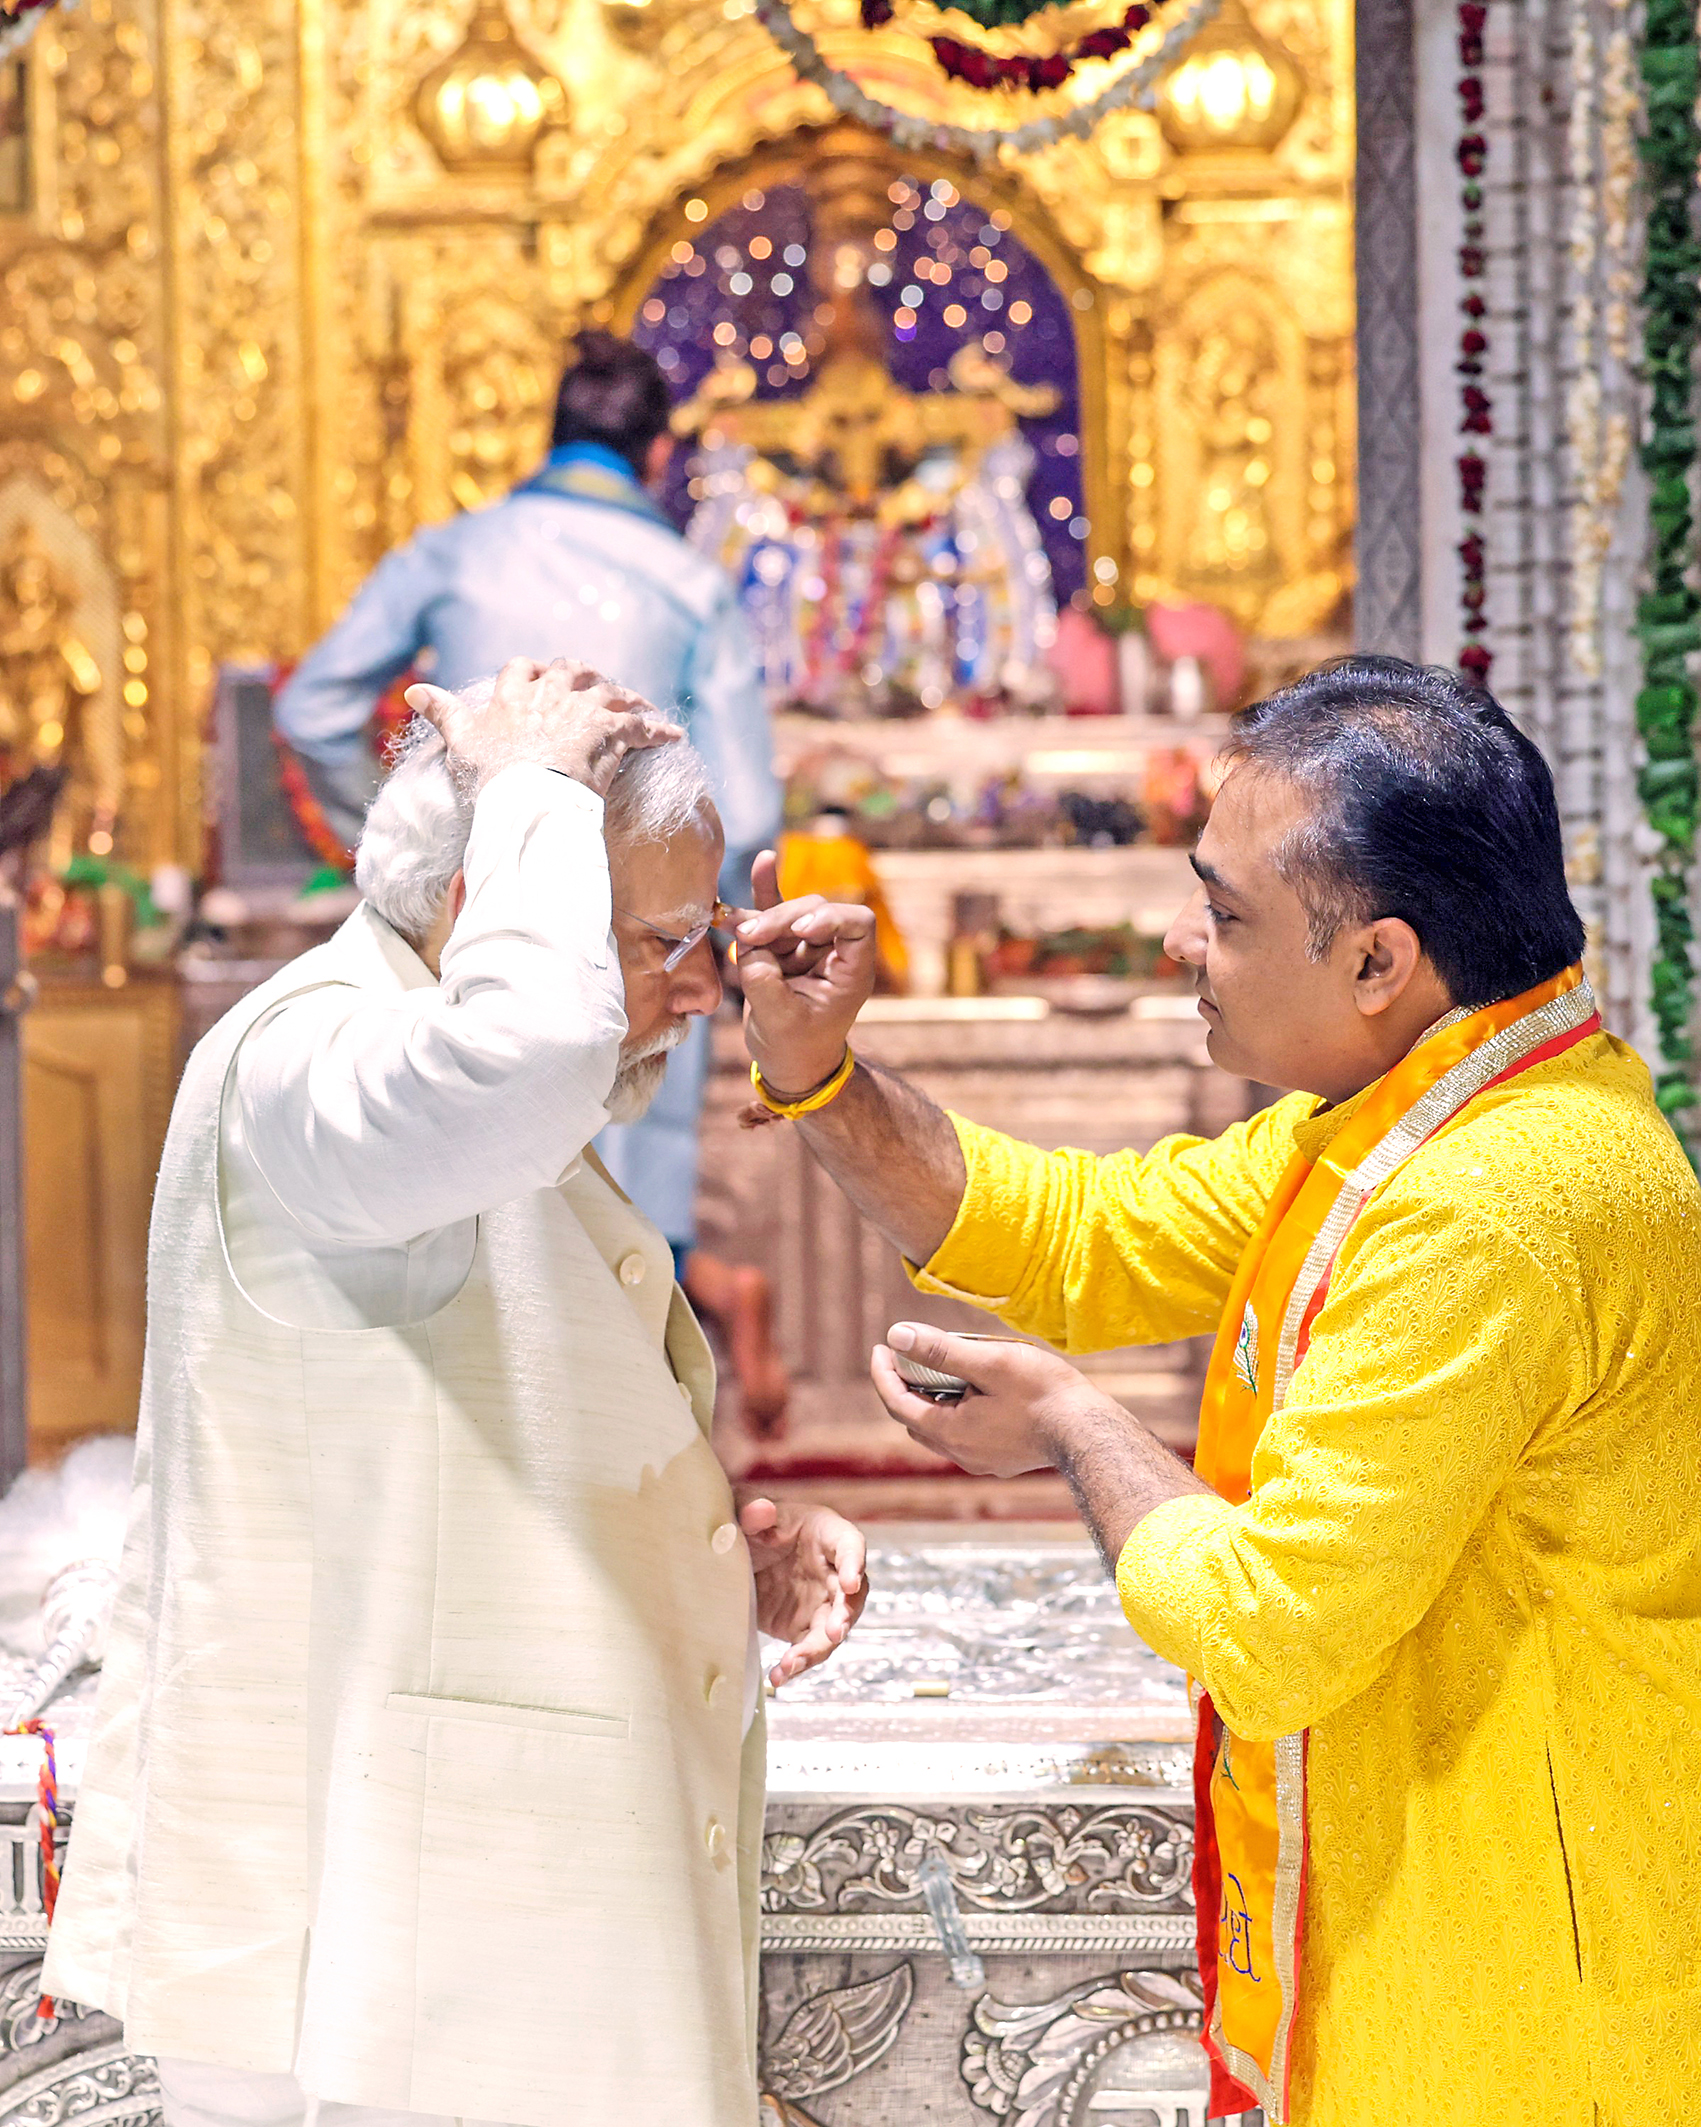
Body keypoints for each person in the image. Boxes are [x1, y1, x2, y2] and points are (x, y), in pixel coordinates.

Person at [728, 656, 1701, 2126]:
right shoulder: (1424, 1108)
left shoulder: (1489, 1200)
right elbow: (1076, 1234)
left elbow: (1269, 1629)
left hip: (1516, 1993)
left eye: (1228, 914)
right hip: (1442, 1909)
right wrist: (820, 1071)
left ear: (1378, 961)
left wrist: (1074, 1419)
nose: (1182, 939)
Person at [43, 659, 866, 2127]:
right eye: (662, 936)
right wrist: (535, 781)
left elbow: (448, 1430)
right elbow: (525, 1056)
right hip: (382, 1957)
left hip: (473, 1934)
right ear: (493, 901)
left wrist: (692, 1550)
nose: (703, 980)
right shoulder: (314, 1054)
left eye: (707, 933)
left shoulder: (421, 1056)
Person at [275, 331, 787, 1423]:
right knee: (622, 1236)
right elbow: (750, 800)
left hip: (464, 919)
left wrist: (395, 845)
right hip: (633, 939)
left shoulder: (453, 552)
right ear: (656, 454)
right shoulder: (691, 581)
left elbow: (308, 707)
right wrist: (699, 926)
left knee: (456, 1206)